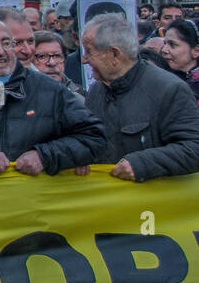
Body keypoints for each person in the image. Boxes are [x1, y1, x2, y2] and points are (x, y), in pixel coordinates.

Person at [0, 18, 106, 177]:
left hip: (31, 198)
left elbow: (94, 137)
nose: (1, 51)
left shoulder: (47, 89)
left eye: (7, 43)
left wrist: (44, 155)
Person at [81, 13, 199, 181]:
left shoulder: (170, 90)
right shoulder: (96, 92)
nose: (84, 60)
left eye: (89, 52)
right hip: (107, 202)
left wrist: (141, 164)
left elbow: (194, 148)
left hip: (153, 204)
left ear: (115, 54)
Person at [32, 30, 83, 95]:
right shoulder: (19, 98)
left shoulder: (82, 97)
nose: (52, 63)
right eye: (42, 56)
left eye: (57, 56)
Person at [158, 18, 199, 100]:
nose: (164, 50)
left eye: (172, 44)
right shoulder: (159, 78)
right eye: (165, 43)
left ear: (196, 51)